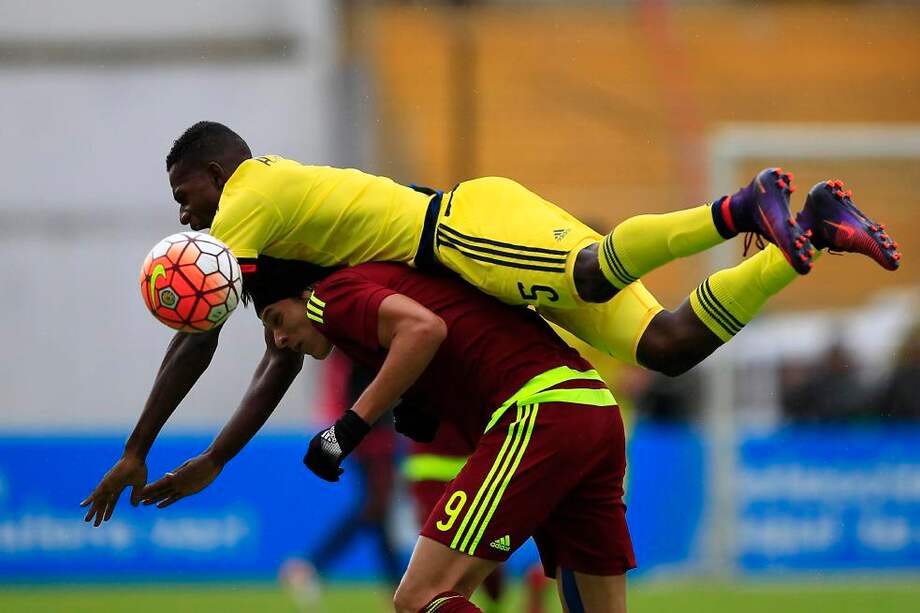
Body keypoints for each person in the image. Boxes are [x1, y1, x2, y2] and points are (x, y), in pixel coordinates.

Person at [81, 121, 900, 526]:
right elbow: (276, 357)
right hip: (478, 264)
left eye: (186, 191)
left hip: (465, 226)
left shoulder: (251, 192)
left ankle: (737, 206)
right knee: (670, 347)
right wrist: (217, 458)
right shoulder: (283, 260)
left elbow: (199, 333)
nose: (182, 211)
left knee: (589, 270)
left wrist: (137, 444)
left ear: (218, 174)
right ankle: (812, 235)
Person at [140, 261, 636, 613]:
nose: (280, 340)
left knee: (418, 597)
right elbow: (442, 335)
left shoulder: (329, 295)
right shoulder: (378, 297)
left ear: (301, 295)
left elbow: (424, 329)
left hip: (539, 411)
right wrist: (421, 405)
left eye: (276, 320)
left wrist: (348, 428)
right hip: (593, 405)